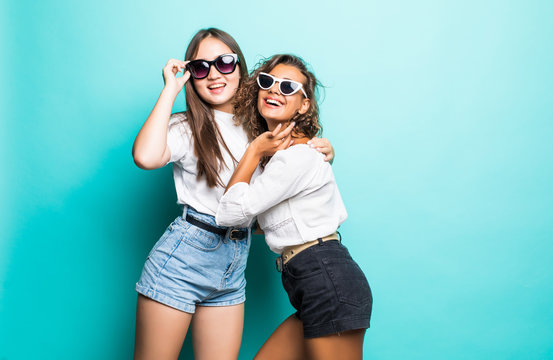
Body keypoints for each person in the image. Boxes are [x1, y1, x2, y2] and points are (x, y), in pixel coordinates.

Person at [132, 29, 335, 360]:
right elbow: (145, 156)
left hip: (234, 261)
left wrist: (325, 149)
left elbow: (296, 172)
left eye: (224, 63)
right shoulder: (187, 126)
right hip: (184, 256)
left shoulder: (263, 128)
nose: (213, 73)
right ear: (191, 77)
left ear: (241, 68)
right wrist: (170, 89)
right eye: (200, 67)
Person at [216, 54, 372, 360]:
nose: (275, 90)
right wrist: (259, 153)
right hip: (312, 281)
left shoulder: (297, 156)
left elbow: (228, 214)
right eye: (267, 82)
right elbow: (260, 221)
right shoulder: (282, 159)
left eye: (287, 87)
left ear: (304, 105)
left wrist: (253, 151)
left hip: (325, 278)